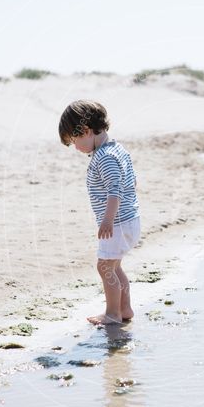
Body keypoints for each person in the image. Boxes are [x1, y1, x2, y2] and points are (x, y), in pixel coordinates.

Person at [58, 100, 140, 325]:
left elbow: (115, 189)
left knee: (104, 266)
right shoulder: (117, 149)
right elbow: (132, 181)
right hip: (130, 220)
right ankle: (125, 309)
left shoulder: (104, 156)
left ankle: (113, 314)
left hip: (117, 223)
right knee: (114, 266)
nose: (76, 147)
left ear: (85, 131)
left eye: (74, 141)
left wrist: (108, 219)